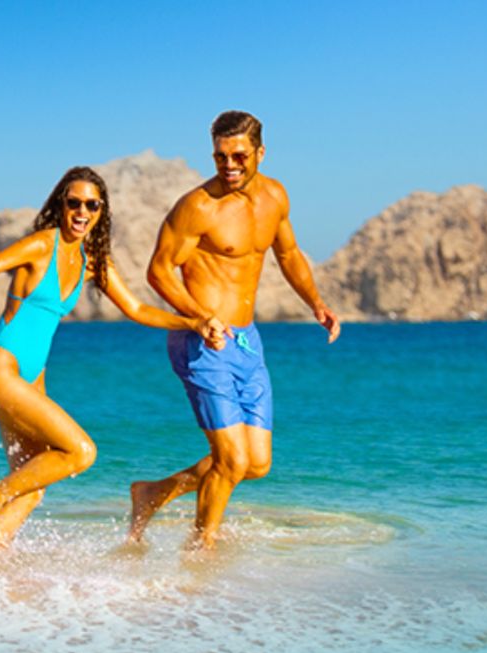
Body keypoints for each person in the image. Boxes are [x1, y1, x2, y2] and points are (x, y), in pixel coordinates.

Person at [0, 166, 224, 550]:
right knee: (80, 451)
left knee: (32, 484)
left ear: (100, 211)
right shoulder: (44, 244)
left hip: (29, 377)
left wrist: (194, 322)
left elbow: (137, 309)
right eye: (73, 202)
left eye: (91, 205)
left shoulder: (94, 262)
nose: (82, 211)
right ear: (61, 205)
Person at [129, 110, 341, 550]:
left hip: (247, 340)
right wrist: (199, 316)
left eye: (239, 156)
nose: (229, 165)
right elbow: (159, 272)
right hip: (201, 342)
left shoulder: (274, 198)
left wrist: (316, 302)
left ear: (260, 153)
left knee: (255, 463)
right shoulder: (198, 207)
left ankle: (153, 493)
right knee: (231, 458)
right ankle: (201, 547)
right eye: (221, 156)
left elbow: (289, 255)